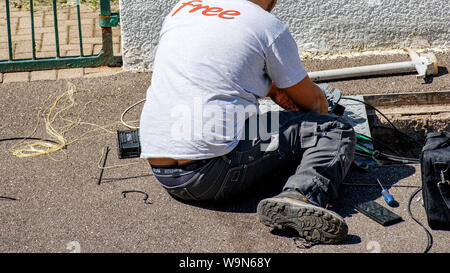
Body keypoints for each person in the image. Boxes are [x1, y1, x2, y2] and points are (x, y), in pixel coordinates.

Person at [139, 0, 356, 244]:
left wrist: (272, 88)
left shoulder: (184, 7)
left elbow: (213, 69)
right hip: (211, 173)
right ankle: (301, 196)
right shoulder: (265, 25)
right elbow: (316, 104)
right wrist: (325, 125)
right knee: (333, 130)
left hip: (162, 170)